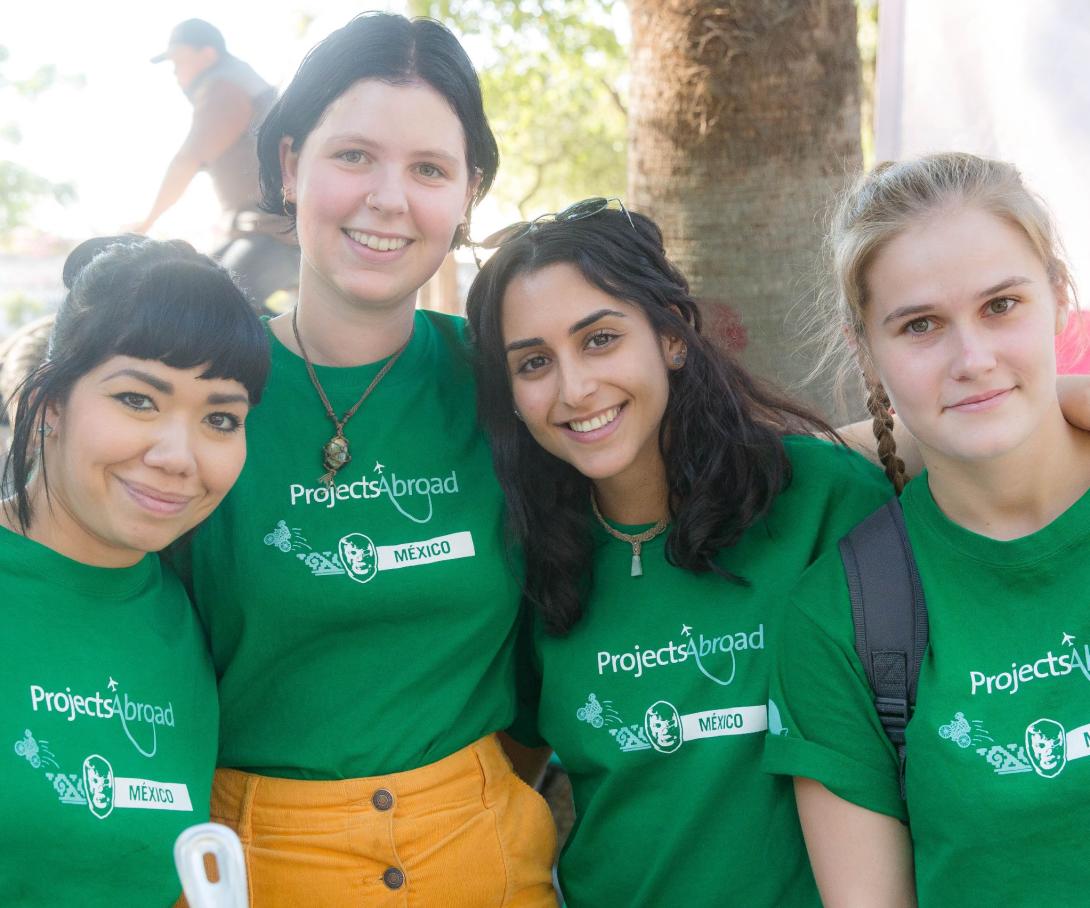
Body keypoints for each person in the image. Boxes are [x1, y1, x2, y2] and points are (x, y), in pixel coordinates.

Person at [174, 13, 558, 906]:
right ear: (288, 166)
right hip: (254, 867)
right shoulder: (193, 393)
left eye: (429, 169)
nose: (389, 199)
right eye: (354, 156)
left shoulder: (512, 383)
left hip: (487, 862)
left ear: (466, 195)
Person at [463, 200, 893, 906]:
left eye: (599, 339)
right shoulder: (527, 560)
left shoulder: (825, 502)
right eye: (534, 362)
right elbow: (500, 776)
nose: (574, 389)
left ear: (671, 337)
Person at [764, 152, 1090, 906]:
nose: (972, 359)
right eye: (920, 325)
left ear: (1059, 298)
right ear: (866, 351)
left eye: (1002, 305)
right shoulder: (843, 618)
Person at [1, 235, 268, 906]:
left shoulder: (188, 618)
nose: (179, 456)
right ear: (52, 402)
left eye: (220, 417)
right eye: (138, 400)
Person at [140, 19, 299, 309]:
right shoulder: (240, 82)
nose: (175, 73)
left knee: (208, 307)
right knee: (194, 289)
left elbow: (186, 161)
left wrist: (145, 222)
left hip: (278, 236)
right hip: (262, 231)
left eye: (179, 61)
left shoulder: (225, 85)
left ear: (208, 54)